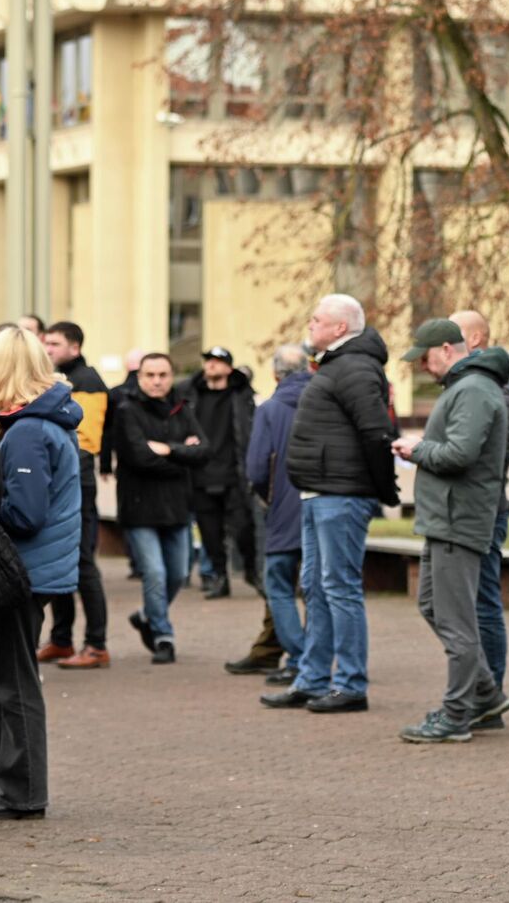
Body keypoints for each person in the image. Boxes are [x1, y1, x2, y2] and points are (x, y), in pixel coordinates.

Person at [263, 294, 398, 714]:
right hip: (319, 492)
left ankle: (351, 684)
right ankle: (313, 678)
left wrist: (383, 490)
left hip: (341, 495)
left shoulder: (355, 367)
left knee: (339, 588)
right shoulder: (337, 364)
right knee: (318, 587)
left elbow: (376, 432)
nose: (310, 323)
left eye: (317, 319)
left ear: (340, 328)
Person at [0, 327, 81, 819]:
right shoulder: (39, 422)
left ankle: (23, 791)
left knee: (15, 682)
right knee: (7, 677)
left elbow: (26, 513)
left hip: (23, 571)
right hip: (35, 569)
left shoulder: (29, 430)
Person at [391, 319, 509, 743]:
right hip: (447, 518)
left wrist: (416, 449)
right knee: (432, 605)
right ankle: (484, 693)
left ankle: (457, 715)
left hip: (458, 519)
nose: (423, 366)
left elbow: (461, 454)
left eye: (425, 357)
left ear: (447, 348)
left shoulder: (475, 390)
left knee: (456, 622)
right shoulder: (469, 387)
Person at [111, 352, 205, 664]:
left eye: (163, 375)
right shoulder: (126, 409)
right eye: (150, 375)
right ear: (140, 377)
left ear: (171, 376)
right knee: (154, 572)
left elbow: (204, 451)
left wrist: (168, 450)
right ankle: (163, 636)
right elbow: (139, 457)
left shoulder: (182, 407)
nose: (156, 381)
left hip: (177, 505)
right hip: (140, 506)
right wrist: (182, 456)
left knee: (178, 572)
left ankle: (147, 614)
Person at [450, 309, 509, 715]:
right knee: (477, 600)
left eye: (454, 334)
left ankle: (490, 688)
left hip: (487, 506)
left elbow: (483, 451)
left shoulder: (493, 386)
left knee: (484, 600)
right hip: (482, 504)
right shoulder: (476, 382)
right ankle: (484, 688)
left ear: (474, 339)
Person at [41, 321, 110, 670]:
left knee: (83, 564)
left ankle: (96, 645)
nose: (48, 349)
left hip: (78, 483)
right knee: (60, 563)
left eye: (54, 343)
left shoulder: (89, 382)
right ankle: (61, 640)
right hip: (64, 482)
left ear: (75, 347)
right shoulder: (57, 379)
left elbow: (86, 440)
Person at [240, 345, 311, 683]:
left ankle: (299, 656)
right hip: (320, 505)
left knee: (278, 585)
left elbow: (255, 467)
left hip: (282, 511)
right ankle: (316, 654)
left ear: (275, 374)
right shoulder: (326, 401)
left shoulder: (269, 409)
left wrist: (266, 499)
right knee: (317, 589)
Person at [178, 347, 256, 599]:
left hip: (234, 474)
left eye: (217, 361)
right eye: (208, 361)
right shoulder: (190, 395)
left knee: (244, 529)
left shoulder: (241, 395)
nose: (210, 365)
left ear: (228, 368)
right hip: (201, 475)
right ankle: (220, 578)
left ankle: (252, 571)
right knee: (209, 533)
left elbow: (249, 430)